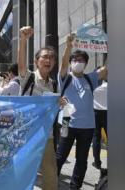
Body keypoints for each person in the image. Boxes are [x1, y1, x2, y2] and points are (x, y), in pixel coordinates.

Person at [17, 26, 66, 190]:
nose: (48, 60)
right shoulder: (28, 77)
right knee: (23, 172)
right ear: (36, 61)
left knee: (51, 173)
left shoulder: (53, 84)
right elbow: (21, 63)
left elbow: (53, 110)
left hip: (47, 135)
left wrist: (59, 103)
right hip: (27, 134)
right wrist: (23, 40)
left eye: (51, 58)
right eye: (45, 57)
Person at [56, 34, 108, 190]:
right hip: (66, 122)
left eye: (81, 60)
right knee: (60, 156)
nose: (78, 63)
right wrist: (68, 46)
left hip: (87, 126)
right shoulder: (65, 77)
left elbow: (106, 69)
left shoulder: (90, 79)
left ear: (86, 63)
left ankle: (75, 187)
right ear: (71, 62)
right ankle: (51, 184)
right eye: (75, 60)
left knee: (82, 160)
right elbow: (63, 64)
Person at [92, 80, 108, 170]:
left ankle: (97, 162)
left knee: (96, 137)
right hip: (108, 112)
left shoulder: (95, 87)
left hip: (96, 112)